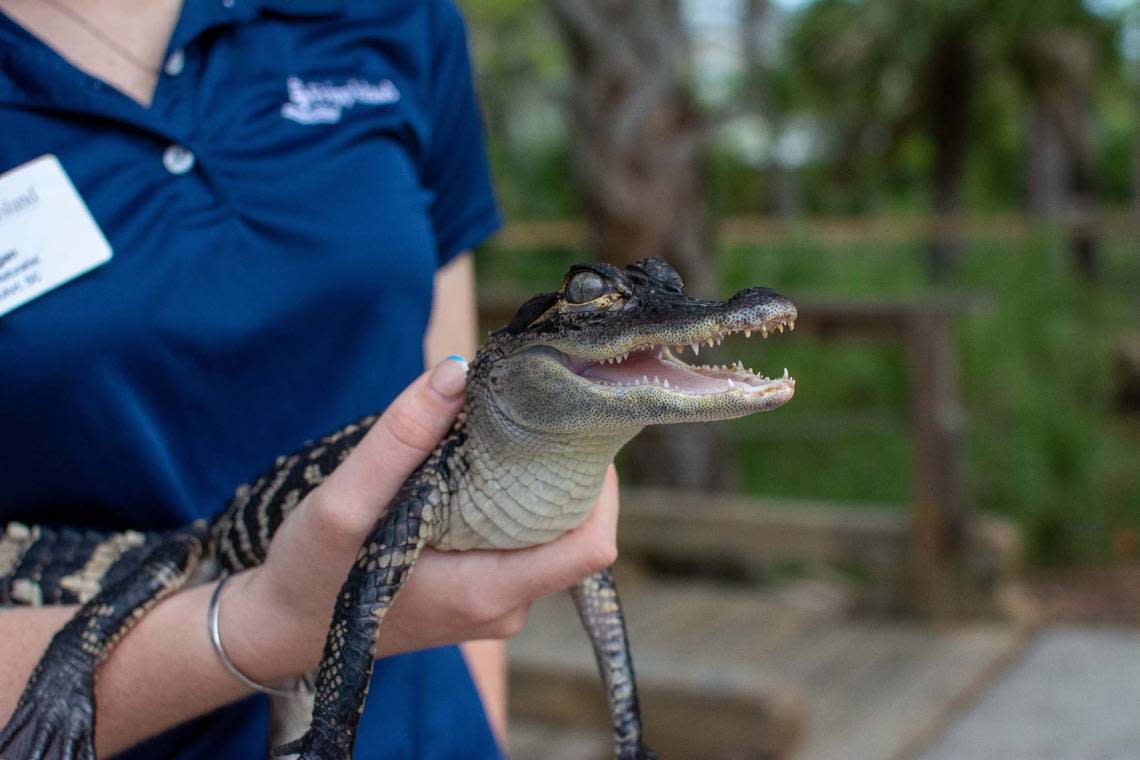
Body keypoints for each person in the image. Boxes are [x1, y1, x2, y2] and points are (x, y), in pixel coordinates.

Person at [0, 0, 620, 757]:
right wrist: (260, 626)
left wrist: (481, 715)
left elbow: (451, 384)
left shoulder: (397, 18)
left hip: (421, 727)